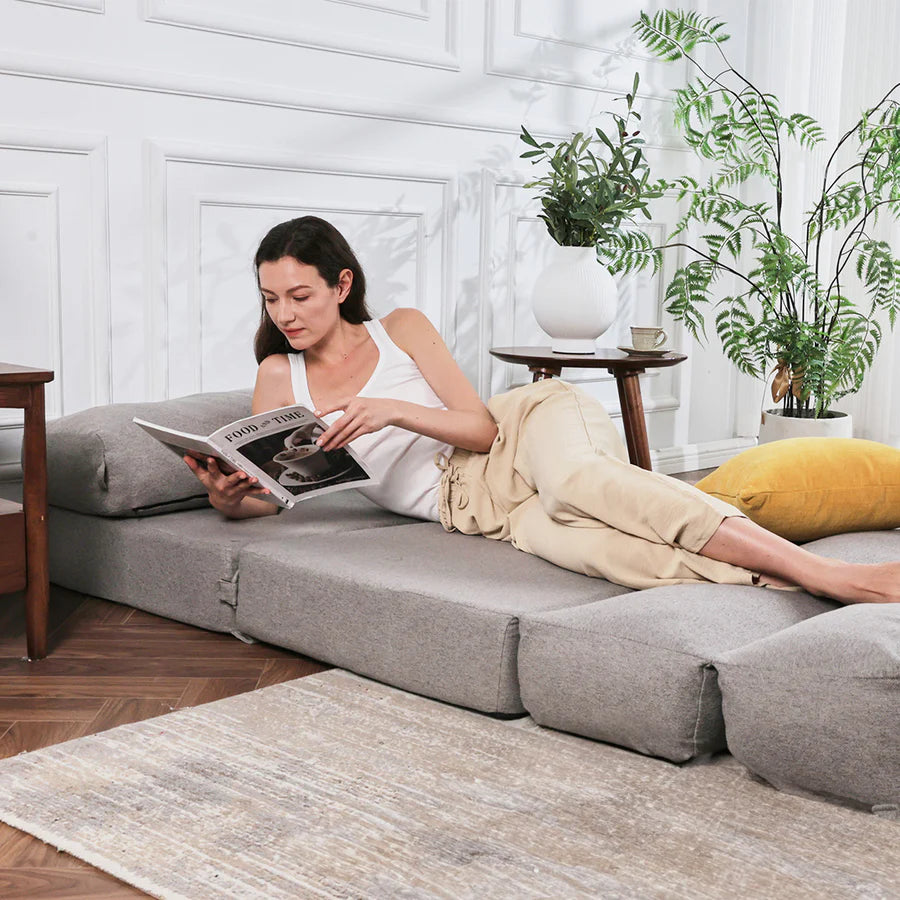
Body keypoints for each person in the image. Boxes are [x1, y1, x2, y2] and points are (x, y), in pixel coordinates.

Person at [184, 216, 900, 605]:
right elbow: (275, 497)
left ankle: (833, 575)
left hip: (523, 431)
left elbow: (480, 428)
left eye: (300, 296)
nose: (285, 315)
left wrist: (392, 410)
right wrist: (229, 498)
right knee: (607, 553)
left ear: (341, 286)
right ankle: (785, 582)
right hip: (476, 508)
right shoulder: (277, 376)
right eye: (271, 300)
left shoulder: (400, 328)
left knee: (583, 483)